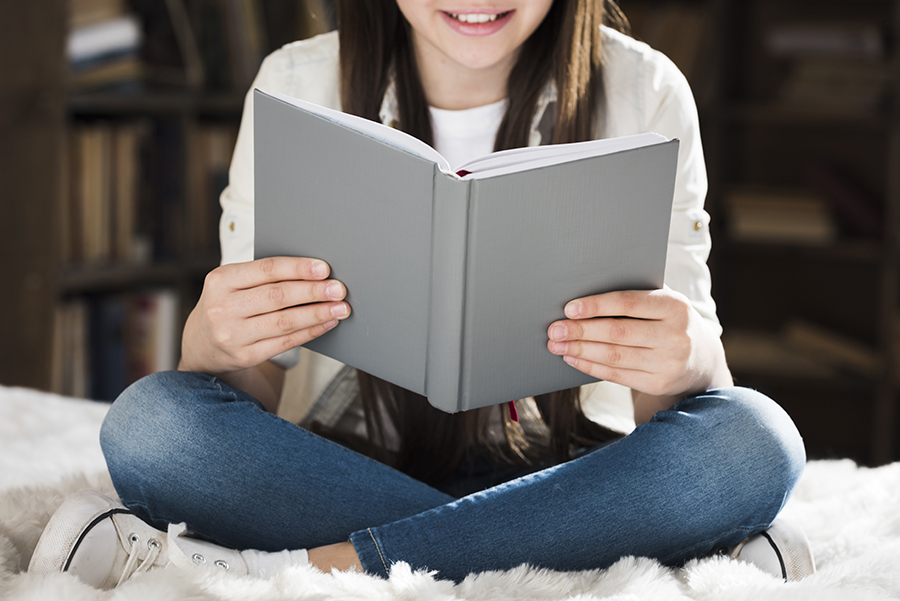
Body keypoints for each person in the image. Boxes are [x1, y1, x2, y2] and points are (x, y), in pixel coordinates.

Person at [29, 0, 814, 589]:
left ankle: (321, 565)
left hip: (568, 464)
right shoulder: (297, 85)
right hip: (347, 464)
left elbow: (683, 411)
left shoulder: (646, 93)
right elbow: (249, 392)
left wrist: (686, 363)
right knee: (150, 425)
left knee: (755, 442)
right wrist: (210, 344)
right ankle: (575, 548)